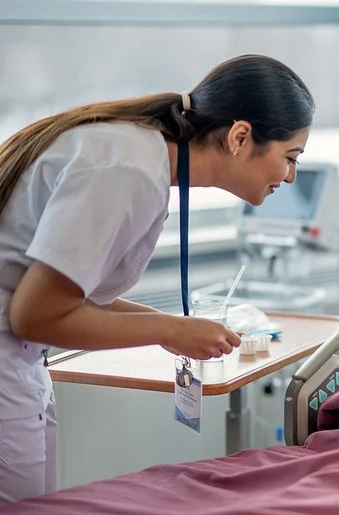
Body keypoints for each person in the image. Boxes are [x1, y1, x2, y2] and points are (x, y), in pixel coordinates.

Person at [0, 54, 314, 504]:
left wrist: (171, 330)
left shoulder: (141, 158)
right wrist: (168, 329)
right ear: (240, 137)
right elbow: (35, 314)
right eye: (290, 156)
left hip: (19, 361)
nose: (290, 175)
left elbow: (69, 294)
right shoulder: (128, 171)